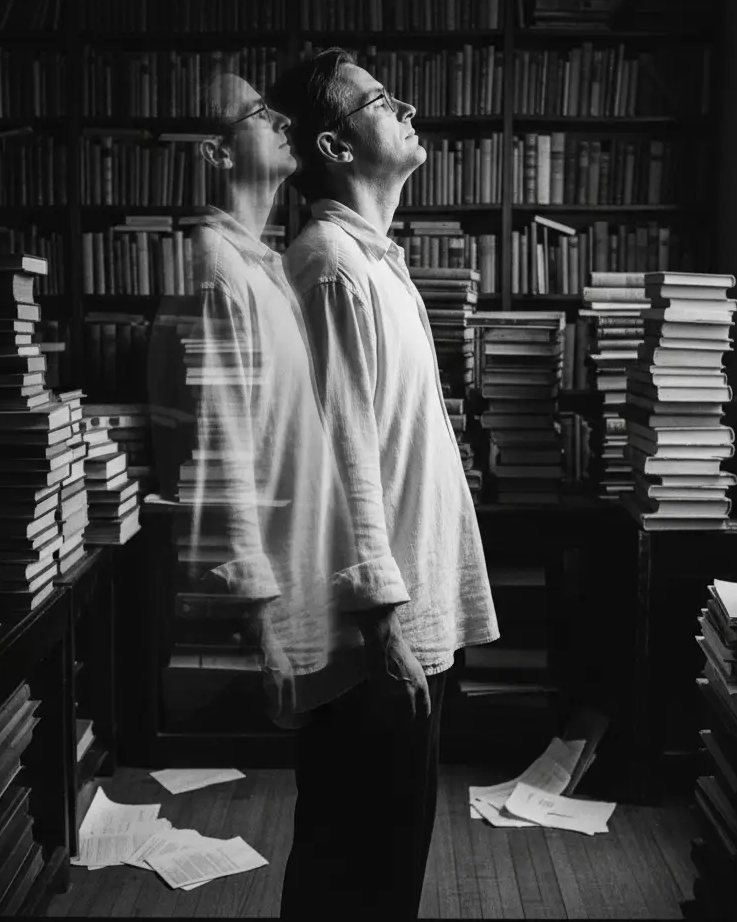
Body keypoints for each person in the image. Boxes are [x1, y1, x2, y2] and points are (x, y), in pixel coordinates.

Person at [269, 48, 500, 918]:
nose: (405, 109)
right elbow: (338, 465)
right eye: (379, 100)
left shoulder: (375, 265)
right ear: (334, 145)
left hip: (404, 620)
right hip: (373, 638)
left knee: (384, 866)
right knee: (355, 874)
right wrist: (381, 629)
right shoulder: (330, 265)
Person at [146, 71, 365, 729]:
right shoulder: (217, 272)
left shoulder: (256, 268)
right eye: (260, 113)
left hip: (302, 596)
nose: (282, 121)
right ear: (216, 153)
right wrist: (260, 629)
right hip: (266, 622)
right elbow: (216, 457)